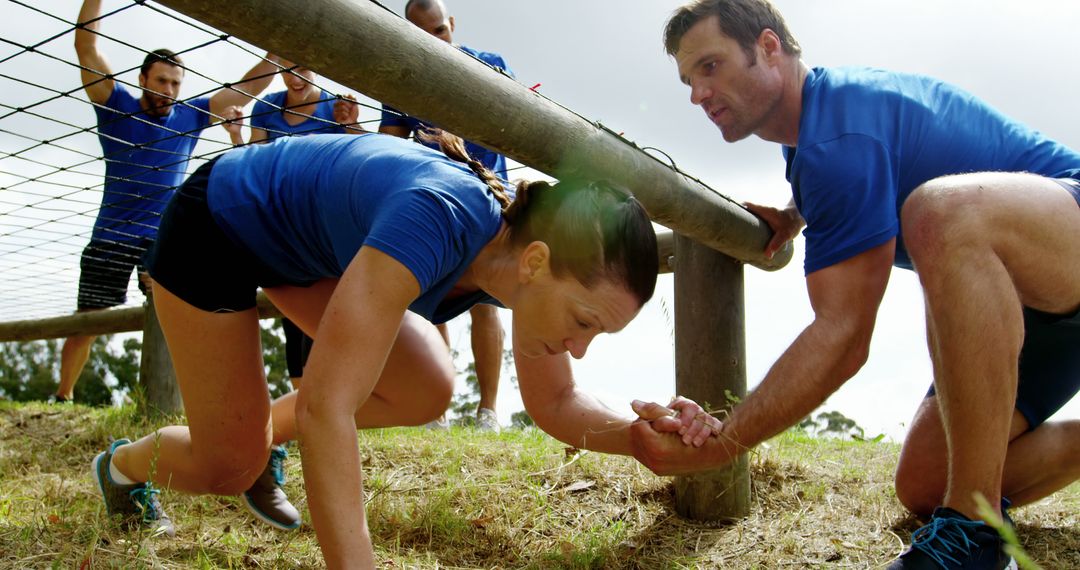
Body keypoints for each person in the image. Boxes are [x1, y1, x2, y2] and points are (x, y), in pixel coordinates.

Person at [90, 130, 719, 563]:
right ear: (536, 261)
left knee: (428, 387)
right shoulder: (437, 218)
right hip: (218, 226)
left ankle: (263, 439)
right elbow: (327, 409)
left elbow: (556, 403)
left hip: (307, 253)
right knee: (231, 465)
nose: (578, 349)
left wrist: (632, 438)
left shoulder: (520, 270)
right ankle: (121, 468)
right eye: (584, 322)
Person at [630, 1, 1080, 569]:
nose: (698, 94)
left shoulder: (839, 133)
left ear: (769, 47)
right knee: (922, 483)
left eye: (711, 66)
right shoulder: (815, 140)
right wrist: (797, 213)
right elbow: (853, 173)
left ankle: (978, 537)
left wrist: (720, 445)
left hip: (1068, 241)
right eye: (688, 80)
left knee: (939, 210)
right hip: (1021, 309)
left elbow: (843, 336)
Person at [56, 0, 279, 403]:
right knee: (87, 320)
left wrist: (275, 54)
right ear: (143, 79)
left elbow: (245, 90)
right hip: (110, 235)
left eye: (175, 83)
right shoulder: (116, 106)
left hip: (163, 238)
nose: (169, 91)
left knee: (177, 322)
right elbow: (85, 48)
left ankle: (176, 402)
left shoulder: (190, 116)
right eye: (161, 82)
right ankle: (63, 395)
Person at [220, 59, 363, 531]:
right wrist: (237, 137)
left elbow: (358, 162)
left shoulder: (334, 107)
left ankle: (290, 443)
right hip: (282, 247)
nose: (294, 76)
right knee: (300, 362)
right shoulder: (265, 111)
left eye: (303, 66)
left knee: (334, 352)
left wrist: (353, 126)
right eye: (286, 66)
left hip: (328, 241)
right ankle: (278, 443)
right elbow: (252, 165)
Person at [380, 0, 514, 433]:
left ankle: (488, 413)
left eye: (440, 31)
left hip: (490, 200)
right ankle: (436, 409)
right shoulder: (399, 78)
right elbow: (389, 146)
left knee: (486, 303)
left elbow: (510, 126)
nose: (435, 41)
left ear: (452, 24)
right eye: (424, 35)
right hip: (433, 205)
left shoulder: (490, 64)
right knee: (428, 302)